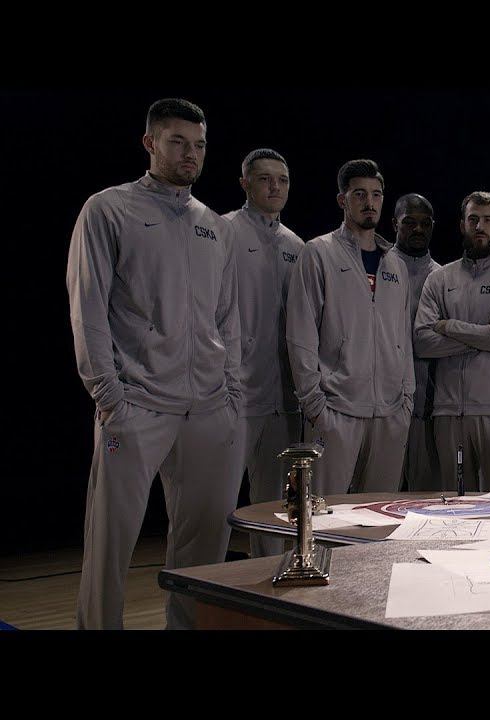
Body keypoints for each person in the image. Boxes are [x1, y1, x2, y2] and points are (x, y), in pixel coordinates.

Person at [67, 98, 242, 629]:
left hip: (209, 407)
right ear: (149, 143)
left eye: (199, 145)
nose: (191, 154)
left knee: (205, 543)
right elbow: (88, 307)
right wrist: (108, 397)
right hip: (136, 405)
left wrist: (231, 391)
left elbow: (227, 318)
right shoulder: (108, 209)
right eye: (178, 142)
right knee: (111, 538)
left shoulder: (214, 225)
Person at [287, 159, 414, 496]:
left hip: (389, 414)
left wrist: (406, 402)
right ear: (342, 200)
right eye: (360, 194)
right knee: (326, 514)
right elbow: (301, 333)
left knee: (379, 516)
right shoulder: (318, 253)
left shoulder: (395, 264)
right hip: (336, 410)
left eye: (376, 194)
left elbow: (403, 338)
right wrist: (315, 405)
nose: (369, 202)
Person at [415, 191, 490, 492]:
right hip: (447, 412)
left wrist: (449, 326)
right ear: (462, 224)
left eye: (488, 220)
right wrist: (484, 335)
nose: (480, 226)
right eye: (473, 219)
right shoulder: (440, 279)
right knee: (453, 509)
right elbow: (423, 341)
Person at [223, 148, 305, 558]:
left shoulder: (296, 245)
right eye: (264, 179)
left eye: (282, 180)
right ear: (245, 183)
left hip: (282, 400)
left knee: (274, 510)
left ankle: (265, 587)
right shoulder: (223, 231)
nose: (274, 187)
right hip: (233, 396)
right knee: (215, 507)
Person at [388, 193, 442, 490]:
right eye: (409, 222)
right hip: (382, 405)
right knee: (375, 497)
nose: (418, 229)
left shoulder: (444, 277)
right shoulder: (376, 267)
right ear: (394, 223)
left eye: (425, 223)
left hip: (427, 407)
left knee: (426, 499)